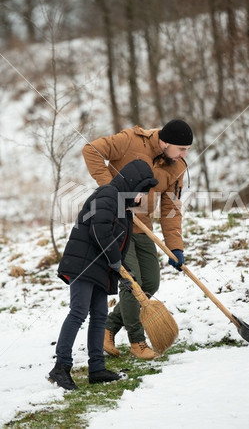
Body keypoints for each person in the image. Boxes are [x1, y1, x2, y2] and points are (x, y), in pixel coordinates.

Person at [82, 119, 193, 360]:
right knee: (133, 283)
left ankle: (108, 329)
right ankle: (137, 342)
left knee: (150, 283)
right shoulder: (131, 140)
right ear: (164, 142)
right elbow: (90, 150)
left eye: (187, 150)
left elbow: (170, 209)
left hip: (143, 228)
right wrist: (111, 191)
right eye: (181, 149)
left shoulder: (177, 167)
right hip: (116, 224)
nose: (184, 155)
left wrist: (175, 247)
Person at [48, 159, 158, 390]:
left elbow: (118, 246)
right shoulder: (108, 195)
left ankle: (97, 368)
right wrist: (116, 262)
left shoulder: (122, 206)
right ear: (133, 185)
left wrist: (124, 275)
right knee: (78, 312)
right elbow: (100, 230)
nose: (141, 198)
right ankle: (60, 367)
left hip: (99, 268)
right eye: (141, 192)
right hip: (83, 265)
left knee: (99, 316)